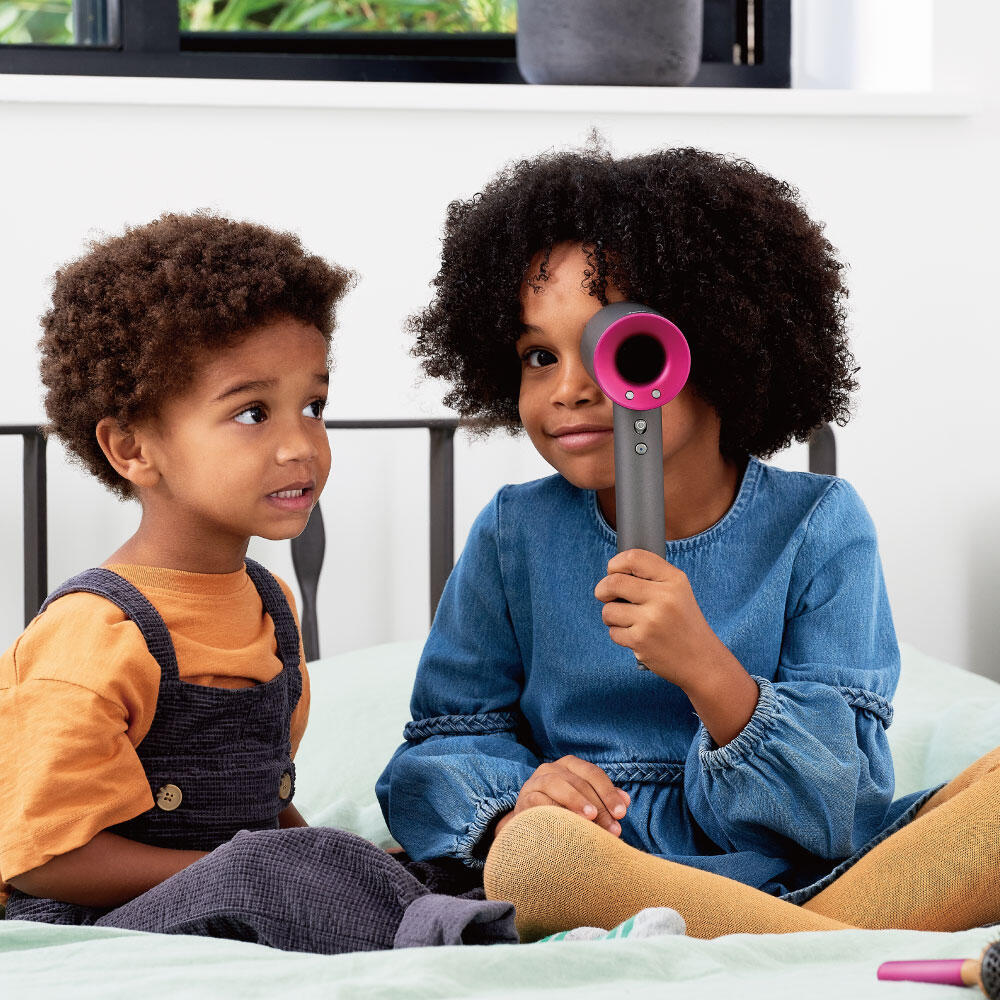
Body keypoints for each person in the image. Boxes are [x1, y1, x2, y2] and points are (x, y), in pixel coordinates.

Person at [376, 145, 1000, 940]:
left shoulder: (819, 524)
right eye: (538, 356)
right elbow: (442, 747)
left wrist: (706, 666)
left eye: (615, 350)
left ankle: (792, 935)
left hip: (810, 868)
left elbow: (839, 804)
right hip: (599, 862)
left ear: (723, 347)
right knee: (531, 857)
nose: (568, 389)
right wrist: (518, 803)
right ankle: (826, 945)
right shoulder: (514, 536)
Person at [0, 212, 517, 953]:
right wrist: (260, 867)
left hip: (240, 895)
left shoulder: (271, 607)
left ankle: (495, 917)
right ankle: (445, 939)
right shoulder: (94, 633)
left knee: (417, 860)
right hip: (97, 922)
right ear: (132, 447)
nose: (300, 445)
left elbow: (262, 811)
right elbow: (42, 858)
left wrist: (330, 860)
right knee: (269, 873)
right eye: (252, 413)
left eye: (313, 406)